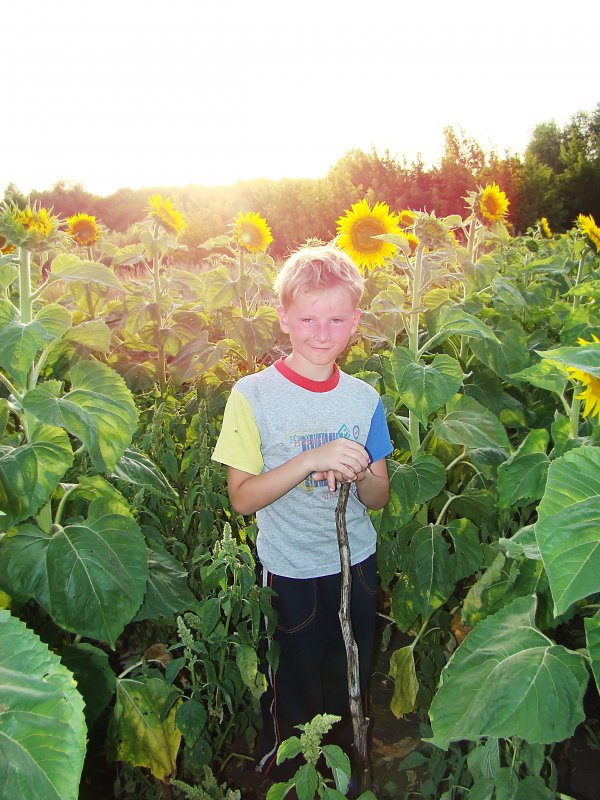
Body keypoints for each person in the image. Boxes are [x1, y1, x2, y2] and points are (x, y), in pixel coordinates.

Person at [212, 244, 392, 780]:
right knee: (295, 686)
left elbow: (379, 496)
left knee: (347, 677)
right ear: (284, 317)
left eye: (336, 319)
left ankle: (344, 771)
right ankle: (292, 779)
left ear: (355, 321)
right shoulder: (254, 395)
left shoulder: (363, 399)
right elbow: (242, 498)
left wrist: (359, 474)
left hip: (355, 566)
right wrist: (310, 459)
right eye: (308, 318)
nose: (321, 333)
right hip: (289, 570)